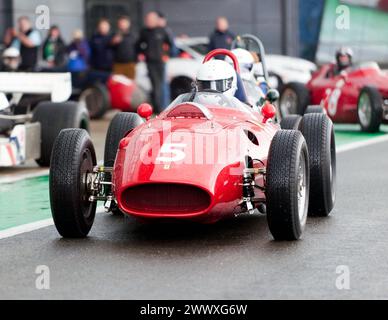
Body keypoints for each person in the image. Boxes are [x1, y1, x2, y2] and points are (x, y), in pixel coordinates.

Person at [136, 11, 173, 113]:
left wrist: (166, 55)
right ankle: (157, 108)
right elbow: (138, 45)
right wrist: (142, 53)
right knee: (155, 85)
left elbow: (170, 45)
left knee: (161, 85)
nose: (149, 21)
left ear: (156, 20)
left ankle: (161, 108)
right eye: (147, 19)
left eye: (151, 19)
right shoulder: (144, 32)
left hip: (160, 62)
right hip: (150, 62)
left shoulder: (162, 31)